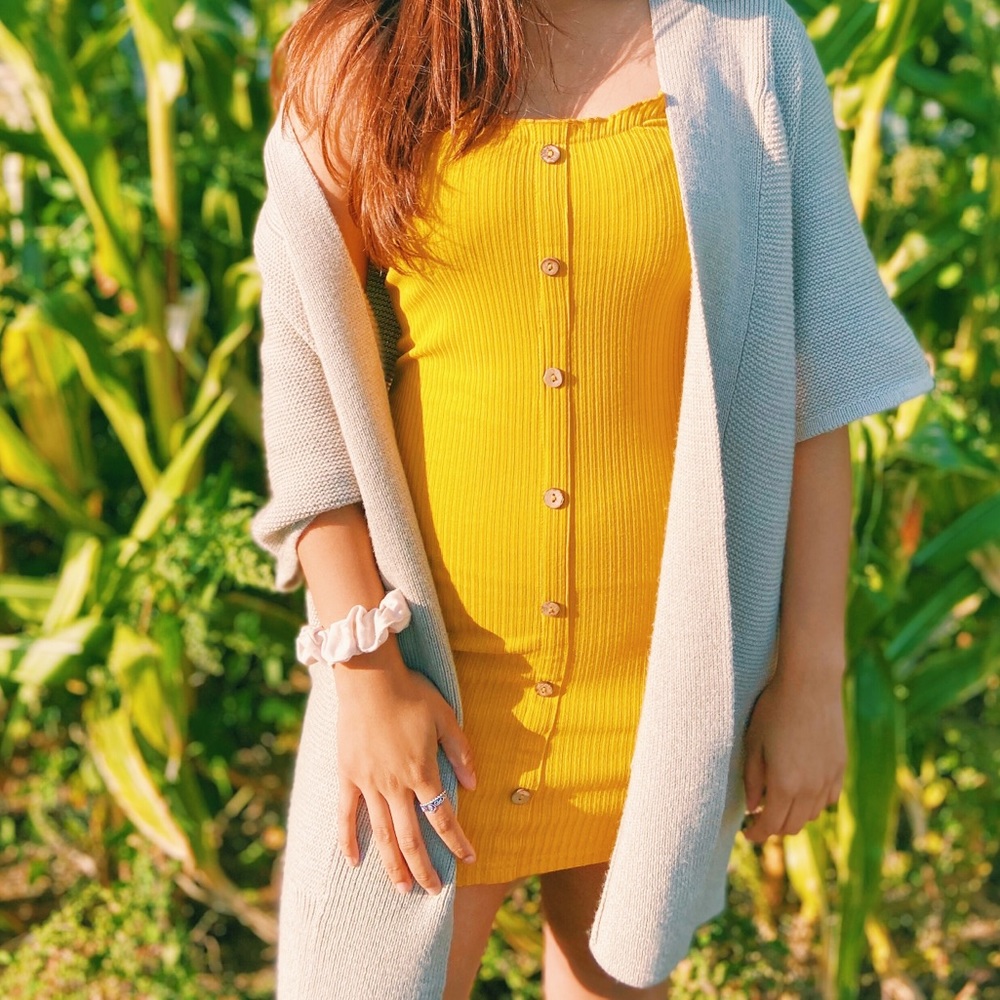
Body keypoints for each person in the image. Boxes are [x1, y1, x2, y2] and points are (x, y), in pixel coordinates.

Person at [249, 0, 936, 996]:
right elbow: (306, 376)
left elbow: (811, 389)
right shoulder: (364, 49)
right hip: (429, 699)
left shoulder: (745, 46)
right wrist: (365, 671)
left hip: (662, 708)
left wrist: (809, 675)